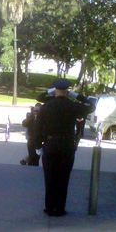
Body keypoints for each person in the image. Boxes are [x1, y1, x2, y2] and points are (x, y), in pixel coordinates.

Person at [34, 78, 95, 217]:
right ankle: (60, 209)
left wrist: (38, 146)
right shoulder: (73, 106)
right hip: (67, 146)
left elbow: (38, 127)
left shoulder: (47, 105)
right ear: (67, 91)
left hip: (50, 145)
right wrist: (75, 95)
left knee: (49, 178)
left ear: (54, 90)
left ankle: (49, 208)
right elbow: (90, 105)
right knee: (63, 178)